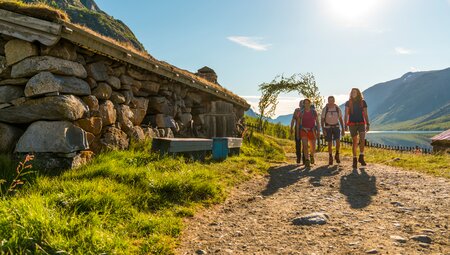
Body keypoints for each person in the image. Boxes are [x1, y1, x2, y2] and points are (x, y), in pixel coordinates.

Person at [344, 88, 370, 168]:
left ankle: (361, 156)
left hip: (361, 123)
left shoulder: (363, 102)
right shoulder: (348, 103)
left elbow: (365, 114)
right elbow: (346, 114)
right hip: (352, 124)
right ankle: (354, 159)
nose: (353, 93)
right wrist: (345, 125)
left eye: (355, 92)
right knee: (355, 141)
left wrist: (368, 124)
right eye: (352, 92)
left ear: (358, 93)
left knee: (362, 140)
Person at [321, 96, 345, 165]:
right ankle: (330, 157)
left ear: (334, 101)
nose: (331, 102)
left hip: (336, 127)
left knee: (338, 141)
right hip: (328, 127)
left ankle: (337, 154)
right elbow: (322, 120)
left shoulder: (337, 109)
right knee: (329, 143)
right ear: (328, 101)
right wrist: (323, 129)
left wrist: (343, 129)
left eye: (332, 100)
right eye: (329, 100)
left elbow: (340, 119)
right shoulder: (325, 109)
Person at [296, 98, 320, 168]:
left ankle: (311, 155)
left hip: (312, 130)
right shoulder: (301, 112)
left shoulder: (314, 112)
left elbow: (317, 122)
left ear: (310, 103)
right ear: (303, 104)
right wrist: (298, 133)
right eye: (305, 103)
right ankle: (307, 160)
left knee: (313, 148)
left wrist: (318, 131)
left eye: (308, 103)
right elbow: (298, 123)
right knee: (305, 146)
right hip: (303, 130)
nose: (306, 104)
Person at [290, 100, 304, 164]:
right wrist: (291, 128)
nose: (301, 104)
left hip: (304, 129)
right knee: (299, 143)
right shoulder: (297, 110)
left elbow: (293, 120)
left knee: (303, 143)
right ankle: (299, 157)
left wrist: (291, 128)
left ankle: (302, 158)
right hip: (298, 128)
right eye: (300, 103)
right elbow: (293, 120)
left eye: (302, 103)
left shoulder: (306, 111)